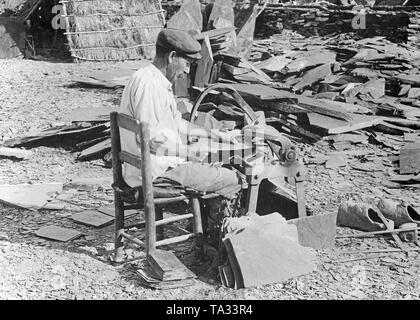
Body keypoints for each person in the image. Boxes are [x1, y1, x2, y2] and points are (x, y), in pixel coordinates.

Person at [119, 28, 244, 252]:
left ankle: (204, 233)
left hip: (155, 167)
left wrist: (215, 135)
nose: (187, 71)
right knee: (233, 178)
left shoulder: (153, 80)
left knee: (209, 162)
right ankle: (216, 247)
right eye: (186, 63)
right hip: (155, 175)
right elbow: (152, 142)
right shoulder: (149, 87)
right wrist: (189, 153)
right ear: (172, 57)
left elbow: (177, 124)